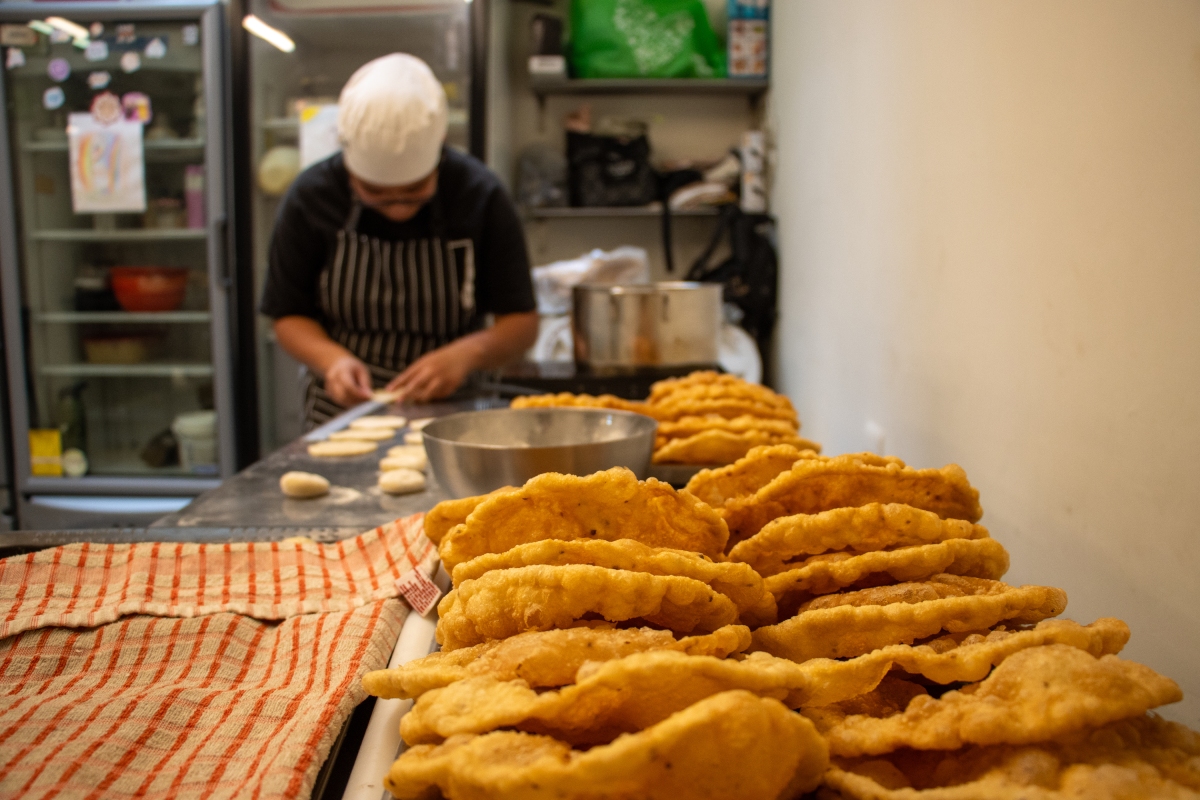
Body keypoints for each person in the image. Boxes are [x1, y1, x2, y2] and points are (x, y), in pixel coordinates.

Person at [260, 53, 538, 426]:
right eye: (376, 192)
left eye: (414, 190)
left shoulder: (478, 195)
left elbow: (521, 322)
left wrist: (466, 355)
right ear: (348, 163)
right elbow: (288, 315)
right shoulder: (312, 197)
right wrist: (332, 361)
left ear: (437, 153)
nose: (397, 207)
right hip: (344, 411)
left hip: (456, 412)